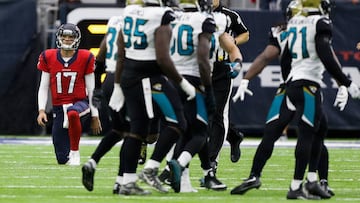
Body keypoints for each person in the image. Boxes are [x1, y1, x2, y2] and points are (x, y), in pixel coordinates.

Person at [233, 0, 360, 199]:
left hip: (289, 86)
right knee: (312, 133)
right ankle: (305, 183)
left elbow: (271, 57)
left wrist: (247, 79)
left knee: (298, 131)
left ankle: (308, 181)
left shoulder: (285, 29)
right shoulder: (318, 24)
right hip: (306, 85)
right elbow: (326, 55)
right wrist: (344, 83)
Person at [110, 0, 196, 195]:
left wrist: (117, 84)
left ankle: (127, 182)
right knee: (178, 122)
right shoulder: (161, 16)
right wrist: (182, 83)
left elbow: (121, 52)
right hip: (148, 77)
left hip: (129, 76)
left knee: (137, 130)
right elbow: (163, 58)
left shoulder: (130, 12)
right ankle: (151, 168)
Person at [138, 0, 218, 193]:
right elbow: (202, 57)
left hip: (170, 78)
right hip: (192, 79)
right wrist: (208, 88)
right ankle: (177, 164)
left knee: (178, 128)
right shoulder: (203, 19)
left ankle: (180, 180)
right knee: (200, 131)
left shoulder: (168, 17)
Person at [37, 23, 102, 166]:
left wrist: (95, 115)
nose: (67, 39)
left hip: (80, 103)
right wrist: (41, 110)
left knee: (72, 112)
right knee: (62, 159)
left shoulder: (86, 57)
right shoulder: (48, 56)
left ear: (76, 39)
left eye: (71, 36)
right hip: (59, 108)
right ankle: (68, 154)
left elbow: (92, 89)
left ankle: (75, 152)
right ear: (59, 37)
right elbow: (43, 87)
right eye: (64, 36)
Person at [81, 15, 129, 193]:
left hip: (109, 78)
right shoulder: (143, 19)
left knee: (118, 130)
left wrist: (98, 88)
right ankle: (121, 181)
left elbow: (100, 56)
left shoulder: (116, 21)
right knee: (133, 134)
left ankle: (92, 162)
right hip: (127, 78)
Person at [207, 0, 249, 177]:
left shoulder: (229, 16)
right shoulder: (195, 13)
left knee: (218, 114)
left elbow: (245, 34)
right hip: (199, 67)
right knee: (202, 112)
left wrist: (233, 42)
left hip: (221, 67)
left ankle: (212, 161)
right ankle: (232, 135)